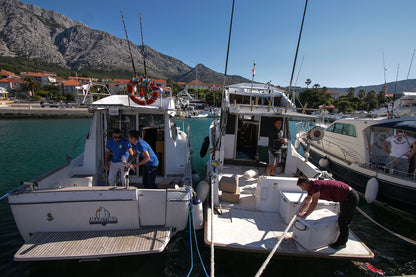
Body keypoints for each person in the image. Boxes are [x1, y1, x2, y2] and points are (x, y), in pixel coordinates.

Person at [296, 176, 359, 249]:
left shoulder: (315, 186)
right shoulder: (310, 188)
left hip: (350, 196)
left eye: (301, 187)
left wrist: (306, 214)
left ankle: (342, 243)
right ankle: (339, 238)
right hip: (344, 198)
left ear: (304, 184)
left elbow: (314, 203)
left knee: (344, 221)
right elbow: (307, 200)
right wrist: (300, 212)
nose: (302, 189)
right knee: (342, 218)